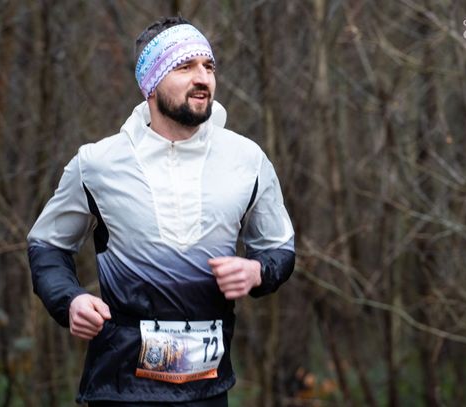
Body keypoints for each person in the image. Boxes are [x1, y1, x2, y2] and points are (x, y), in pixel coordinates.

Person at [27, 16, 295, 406]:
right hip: (120, 389)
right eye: (184, 67)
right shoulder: (97, 163)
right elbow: (47, 245)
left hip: (208, 390)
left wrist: (257, 271)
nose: (202, 78)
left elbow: (279, 248)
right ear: (150, 84)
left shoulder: (247, 159)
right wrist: (70, 300)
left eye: (208, 66)